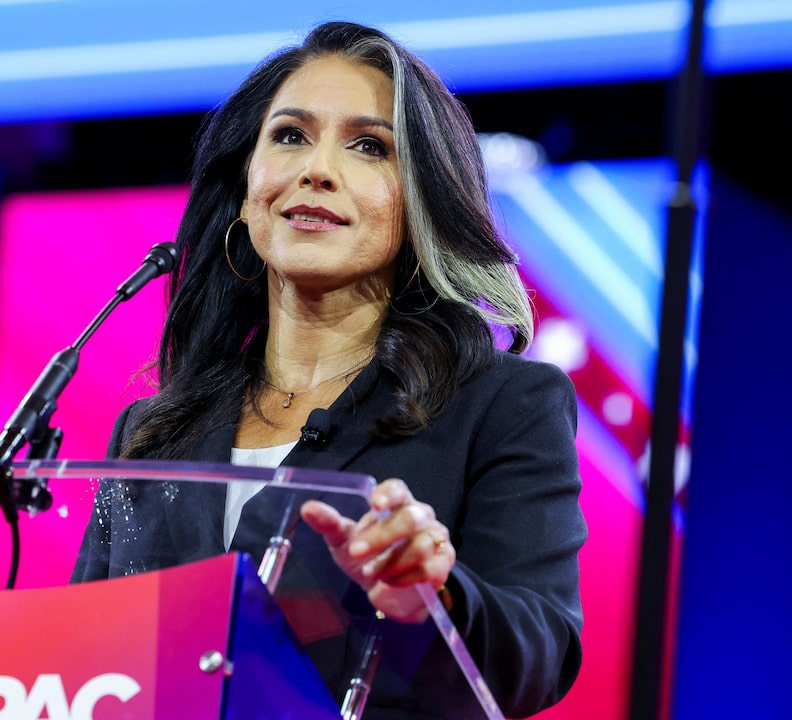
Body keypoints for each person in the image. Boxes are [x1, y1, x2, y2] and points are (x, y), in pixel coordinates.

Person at [71, 20, 585, 720]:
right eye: (290, 135)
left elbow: (540, 656)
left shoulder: (502, 404)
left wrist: (435, 597)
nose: (317, 168)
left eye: (369, 146)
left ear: (422, 201)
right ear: (246, 185)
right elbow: (90, 660)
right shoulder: (153, 432)